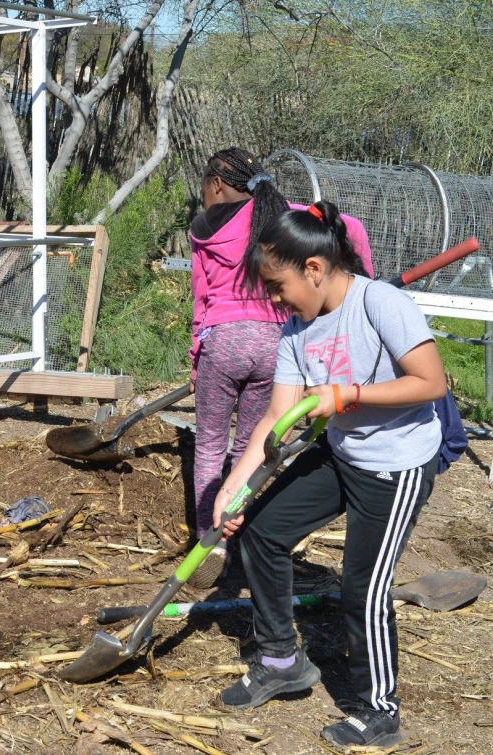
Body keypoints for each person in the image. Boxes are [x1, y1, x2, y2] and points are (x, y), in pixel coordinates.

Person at [213, 201, 446, 749]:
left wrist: (349, 395)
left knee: (362, 590)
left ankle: (379, 711)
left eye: (277, 285)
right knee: (263, 533)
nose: (274, 299)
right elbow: (276, 417)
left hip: (396, 464)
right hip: (344, 454)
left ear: (313, 269)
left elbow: (431, 382)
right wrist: (233, 489)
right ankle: (280, 660)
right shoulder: (297, 329)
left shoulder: (380, 302)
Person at [187, 147, 373, 588]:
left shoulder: (206, 227)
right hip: (275, 345)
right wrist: (362, 276)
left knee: (211, 443)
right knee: (256, 444)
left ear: (216, 184)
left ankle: (209, 542)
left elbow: (201, 294)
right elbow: (352, 228)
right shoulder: (287, 216)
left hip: (225, 341)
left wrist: (198, 355)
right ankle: (244, 529)